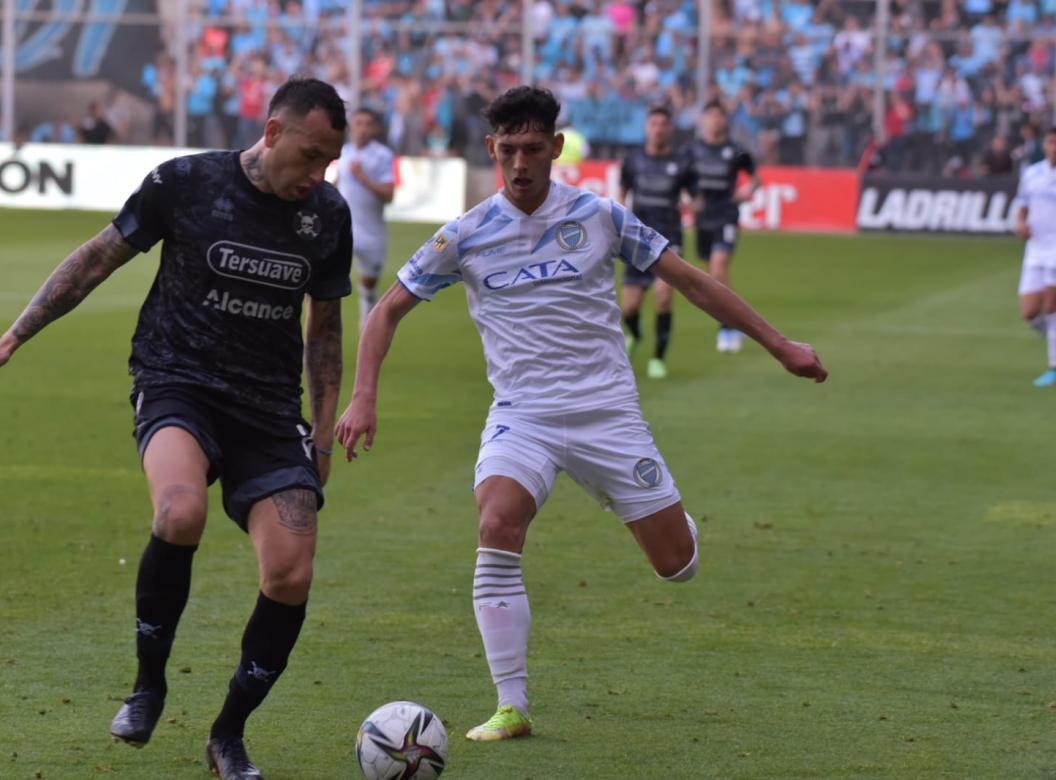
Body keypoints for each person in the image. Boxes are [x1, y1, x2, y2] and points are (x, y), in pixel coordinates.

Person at [335, 86, 827, 743]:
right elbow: (387, 308)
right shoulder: (466, 233)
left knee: (677, 565)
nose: (519, 163)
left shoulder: (600, 216)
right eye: (507, 150)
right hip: (523, 416)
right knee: (497, 521)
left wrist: (781, 346)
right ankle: (512, 705)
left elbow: (693, 281)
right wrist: (364, 395)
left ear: (556, 148)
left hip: (606, 414)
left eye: (532, 149)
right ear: (490, 149)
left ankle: (665, 516)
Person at [0, 77, 352, 780]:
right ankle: (148, 685)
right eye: (312, 155)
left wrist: (320, 433)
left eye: (331, 161)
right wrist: (12, 339)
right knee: (179, 509)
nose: (319, 174)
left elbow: (325, 329)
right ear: (272, 132)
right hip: (178, 383)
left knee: (290, 572)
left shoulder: (328, 214)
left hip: (267, 409)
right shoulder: (187, 182)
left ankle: (228, 733)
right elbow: (97, 258)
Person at [681, 99, 762, 353]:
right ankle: (739, 320)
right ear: (703, 120)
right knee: (713, 277)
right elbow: (679, 180)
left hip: (726, 214)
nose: (716, 120)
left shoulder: (735, 150)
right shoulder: (691, 151)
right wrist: (688, 201)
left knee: (718, 268)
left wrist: (747, 192)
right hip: (703, 218)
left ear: (725, 120)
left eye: (720, 116)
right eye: (711, 115)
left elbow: (756, 178)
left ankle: (727, 327)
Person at [618, 104, 691, 379]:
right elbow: (621, 194)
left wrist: (695, 204)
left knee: (663, 296)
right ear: (647, 128)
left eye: (663, 124)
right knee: (630, 308)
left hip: (669, 240)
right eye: (654, 124)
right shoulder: (633, 161)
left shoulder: (683, 162)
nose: (658, 129)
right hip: (637, 239)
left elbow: (694, 196)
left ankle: (658, 359)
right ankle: (635, 334)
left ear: (670, 129)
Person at [1015, 125, 1056, 387]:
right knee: (1029, 313)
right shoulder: (1032, 173)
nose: (1055, 147)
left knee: (1052, 307)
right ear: (1044, 145)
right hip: (1036, 248)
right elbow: (1023, 204)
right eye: (1051, 142)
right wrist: (1021, 224)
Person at [336, 107, 397, 328]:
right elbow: (338, 185)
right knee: (327, 283)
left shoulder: (382, 155)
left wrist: (362, 177)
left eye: (367, 124)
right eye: (358, 123)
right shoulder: (343, 152)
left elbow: (389, 195)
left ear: (375, 128)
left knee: (369, 283)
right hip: (342, 230)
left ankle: (367, 325)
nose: (361, 129)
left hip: (371, 231)